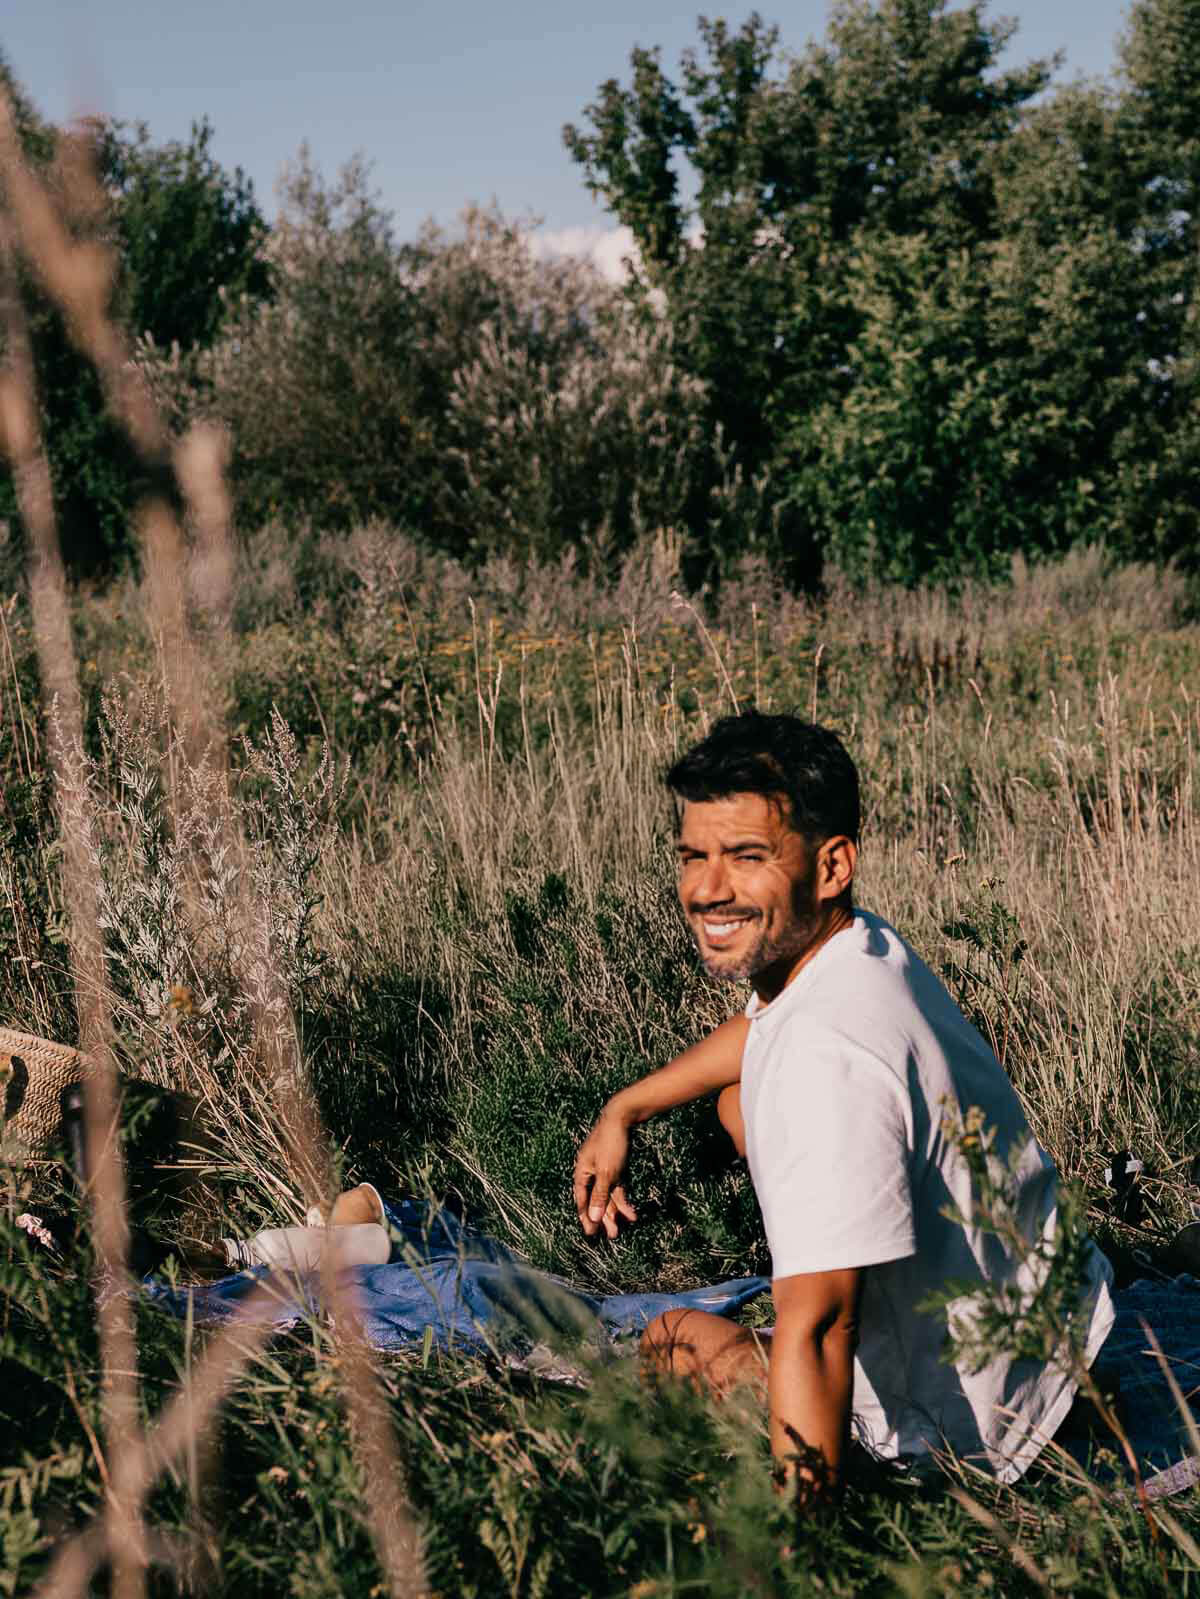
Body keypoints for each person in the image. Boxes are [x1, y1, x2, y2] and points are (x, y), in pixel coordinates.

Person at [573, 712, 1116, 1504]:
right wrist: (623, 1108)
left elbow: (822, 1331)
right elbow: (761, 1031)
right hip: (1060, 1334)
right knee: (737, 1105)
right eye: (694, 854)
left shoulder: (823, 1064)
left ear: (831, 864)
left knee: (670, 1343)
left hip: (982, 1420)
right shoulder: (852, 950)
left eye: (746, 857)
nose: (706, 888)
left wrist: (805, 1543)